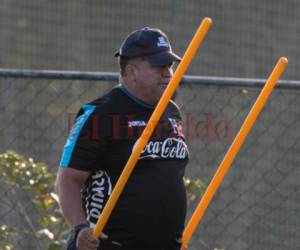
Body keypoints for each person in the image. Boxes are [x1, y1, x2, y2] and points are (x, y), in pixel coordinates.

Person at [55, 27, 190, 250]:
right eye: (158, 66)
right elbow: (67, 179)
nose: (167, 73)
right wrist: (80, 228)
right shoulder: (100, 114)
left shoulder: (171, 111)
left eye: (169, 66)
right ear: (131, 71)